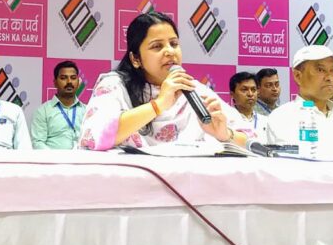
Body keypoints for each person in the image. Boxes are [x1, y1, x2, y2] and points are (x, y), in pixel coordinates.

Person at [79, 11, 251, 151]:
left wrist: (224, 134)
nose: (170, 52)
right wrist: (159, 104)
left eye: (174, 44)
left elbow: (253, 142)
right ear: (135, 59)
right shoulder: (114, 85)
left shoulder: (193, 89)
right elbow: (93, 137)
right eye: (157, 46)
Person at [30, 60, 85, 149]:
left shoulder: (87, 112)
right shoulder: (43, 111)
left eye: (73, 78)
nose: (69, 82)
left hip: (83, 157)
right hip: (52, 157)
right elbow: (38, 143)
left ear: (78, 82)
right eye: (63, 78)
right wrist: (56, 157)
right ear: (55, 83)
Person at [229, 71, 270, 141]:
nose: (250, 94)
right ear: (232, 94)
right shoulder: (226, 120)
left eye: (253, 90)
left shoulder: (266, 121)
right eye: (244, 90)